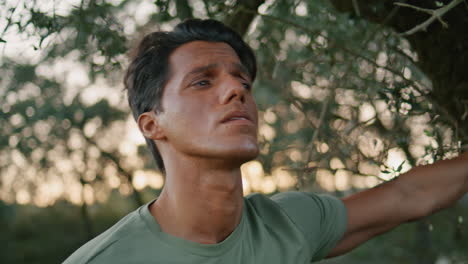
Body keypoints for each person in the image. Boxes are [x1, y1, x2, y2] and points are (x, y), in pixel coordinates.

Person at [63, 19, 468, 264]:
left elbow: (409, 194)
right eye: (203, 81)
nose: (237, 91)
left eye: (242, 80)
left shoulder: (288, 225)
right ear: (152, 125)